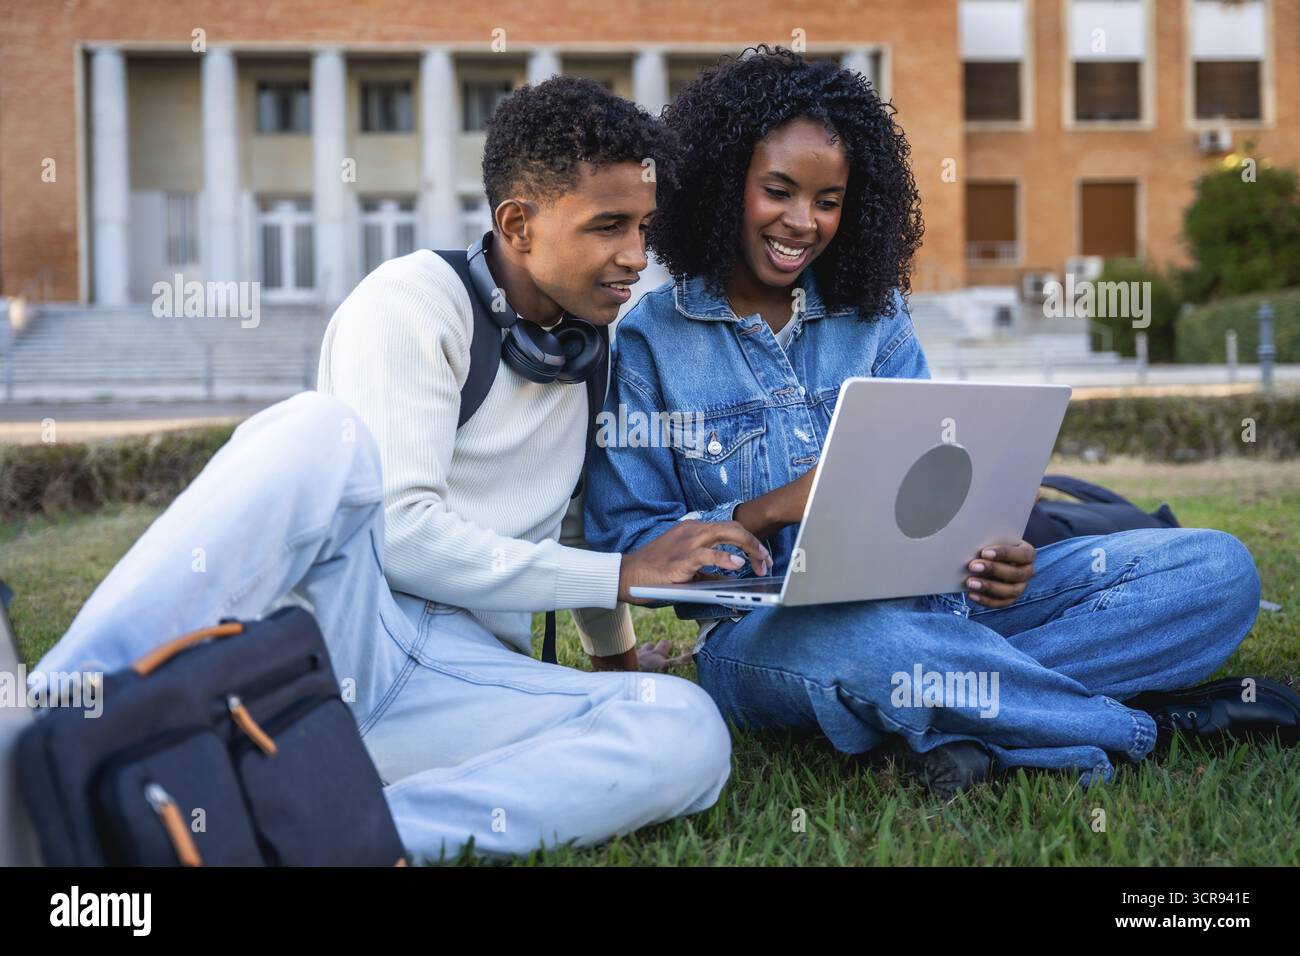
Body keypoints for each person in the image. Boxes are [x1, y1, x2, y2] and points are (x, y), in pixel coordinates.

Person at [25, 76, 772, 861]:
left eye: (645, 227)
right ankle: (47, 725)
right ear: (517, 224)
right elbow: (403, 536)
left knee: (684, 730)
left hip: (465, 680)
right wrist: (623, 574)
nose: (635, 257)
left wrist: (617, 662)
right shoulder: (412, 302)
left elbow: (578, 531)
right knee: (317, 433)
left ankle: (333, 836)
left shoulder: (591, 351)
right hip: (344, 646)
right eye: (609, 226)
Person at [583, 47, 1297, 797]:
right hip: (777, 639)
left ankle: (970, 722)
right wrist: (776, 509)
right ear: (727, 184)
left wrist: (998, 550)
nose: (804, 222)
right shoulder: (647, 346)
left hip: (947, 608)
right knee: (874, 646)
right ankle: (1145, 726)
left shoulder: (875, 318)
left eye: (828, 201)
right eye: (778, 191)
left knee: (1216, 570)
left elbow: (938, 478)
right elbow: (630, 553)